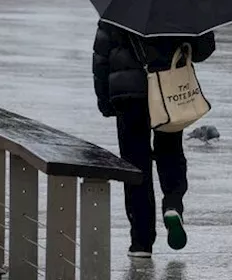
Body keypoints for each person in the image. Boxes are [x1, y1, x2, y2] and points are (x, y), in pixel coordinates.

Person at [92, 21, 216, 259]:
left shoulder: (116, 6)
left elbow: (101, 57)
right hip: (168, 90)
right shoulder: (182, 5)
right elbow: (203, 50)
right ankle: (172, 204)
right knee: (170, 150)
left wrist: (105, 101)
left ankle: (141, 242)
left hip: (128, 95)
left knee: (135, 164)